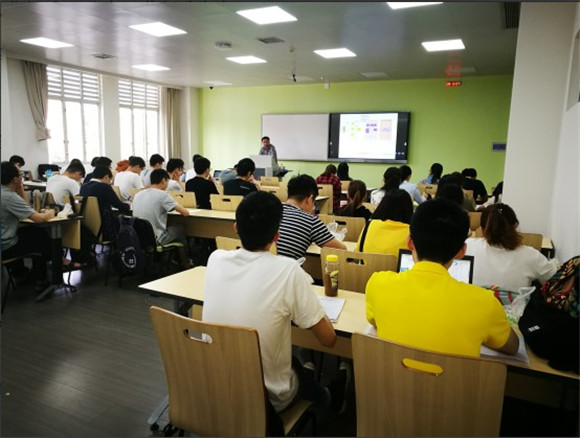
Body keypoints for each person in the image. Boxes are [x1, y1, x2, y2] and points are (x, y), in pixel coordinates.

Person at [203, 191, 346, 416]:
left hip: (216, 386)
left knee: (292, 364)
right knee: (296, 371)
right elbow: (329, 340)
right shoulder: (289, 270)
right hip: (265, 402)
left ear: (236, 228)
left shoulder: (215, 259)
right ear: (277, 236)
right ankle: (328, 397)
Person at [366, 198, 520, 358]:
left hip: (389, 374)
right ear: (461, 252)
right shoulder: (486, 303)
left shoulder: (377, 284)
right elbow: (513, 347)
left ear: (410, 242)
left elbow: (374, 321)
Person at [465, 203, 558, 291]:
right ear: (515, 226)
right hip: (514, 303)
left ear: (482, 229)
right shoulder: (531, 255)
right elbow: (553, 278)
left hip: (472, 301)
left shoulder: (468, 246)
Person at [1, 161, 56, 290]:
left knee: (29, 232)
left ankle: (20, 273)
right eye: (21, 174)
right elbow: (39, 219)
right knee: (39, 236)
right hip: (6, 248)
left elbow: (25, 209)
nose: (23, 177)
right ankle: (41, 281)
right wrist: (51, 212)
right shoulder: (9, 197)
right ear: (15, 179)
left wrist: (19, 188)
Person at [132, 169, 192, 270]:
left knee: (173, 228)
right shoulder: (162, 195)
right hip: (156, 239)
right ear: (163, 180)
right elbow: (185, 213)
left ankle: (175, 260)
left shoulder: (138, 194)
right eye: (167, 181)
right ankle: (185, 263)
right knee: (180, 228)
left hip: (139, 238)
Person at [276, 174, 346, 260]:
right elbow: (342, 250)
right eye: (314, 202)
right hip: (288, 267)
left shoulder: (272, 210)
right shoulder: (311, 221)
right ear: (309, 199)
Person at [80, 165, 131, 241]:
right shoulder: (104, 187)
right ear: (106, 177)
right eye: (110, 181)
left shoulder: (83, 187)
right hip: (105, 228)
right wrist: (127, 204)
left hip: (88, 227)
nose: (110, 183)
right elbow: (120, 206)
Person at [357, 189, 413, 256]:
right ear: (408, 209)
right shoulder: (411, 233)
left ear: (383, 205)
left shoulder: (369, 225)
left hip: (365, 262)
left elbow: (357, 251)